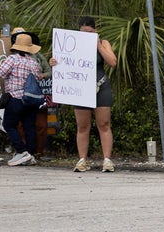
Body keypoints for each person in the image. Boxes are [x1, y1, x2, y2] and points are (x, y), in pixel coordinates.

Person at [48, 16, 118, 172]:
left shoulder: (103, 42)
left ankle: (107, 159)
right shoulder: (71, 43)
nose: (87, 35)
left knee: (104, 124)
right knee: (82, 126)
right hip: (80, 88)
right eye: (84, 32)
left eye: (90, 32)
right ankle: (82, 159)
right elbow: (63, 62)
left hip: (100, 86)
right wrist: (54, 62)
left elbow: (113, 62)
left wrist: (98, 44)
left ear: (96, 30)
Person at [0, 33, 44, 166]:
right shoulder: (34, 63)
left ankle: (22, 151)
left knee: (9, 125)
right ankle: (31, 154)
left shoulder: (13, 59)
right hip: (31, 99)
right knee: (29, 127)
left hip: (16, 99)